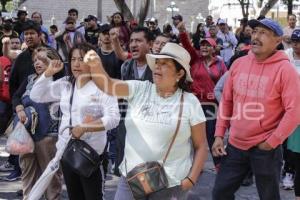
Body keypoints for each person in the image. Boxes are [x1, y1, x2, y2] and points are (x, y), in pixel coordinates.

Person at [84, 42, 208, 199]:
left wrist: (192, 178)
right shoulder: (140, 89)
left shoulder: (190, 102)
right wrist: (95, 65)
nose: (157, 67)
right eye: (157, 63)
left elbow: (201, 145)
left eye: (164, 64)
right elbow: (108, 85)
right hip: (132, 177)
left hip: (169, 183)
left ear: (179, 74)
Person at [212, 18, 300, 200]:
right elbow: (227, 101)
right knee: (220, 193)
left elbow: (295, 111)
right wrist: (219, 135)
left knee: (269, 197)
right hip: (235, 145)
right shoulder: (238, 64)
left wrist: (272, 141)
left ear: (278, 41)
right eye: (254, 32)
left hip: (265, 149)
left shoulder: (286, 70)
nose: (256, 37)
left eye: (263, 33)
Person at [30, 43, 120, 200]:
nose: (76, 64)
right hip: (67, 151)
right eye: (73, 59)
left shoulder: (103, 86)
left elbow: (114, 118)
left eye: (82, 59)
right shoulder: (66, 83)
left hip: (92, 156)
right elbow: (36, 96)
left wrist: (85, 127)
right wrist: (48, 74)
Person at [12, 47, 62, 200]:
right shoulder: (30, 79)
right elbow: (16, 96)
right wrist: (20, 109)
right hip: (26, 134)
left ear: (53, 60)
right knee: (27, 174)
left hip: (48, 135)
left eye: (42, 60)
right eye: (35, 60)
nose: (37, 63)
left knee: (50, 177)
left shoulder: (59, 80)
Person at [178, 22, 227, 168]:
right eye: (202, 45)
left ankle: (219, 166)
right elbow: (187, 45)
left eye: (208, 45)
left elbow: (227, 82)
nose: (204, 47)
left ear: (214, 48)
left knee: (212, 136)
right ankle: (193, 166)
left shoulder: (220, 64)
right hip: (194, 103)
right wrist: (182, 32)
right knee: (191, 136)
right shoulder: (195, 59)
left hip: (212, 106)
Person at [285, 29, 300, 196]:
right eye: (294, 41)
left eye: (299, 41)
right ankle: (288, 171)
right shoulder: (286, 56)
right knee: (291, 148)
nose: (296, 44)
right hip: (290, 108)